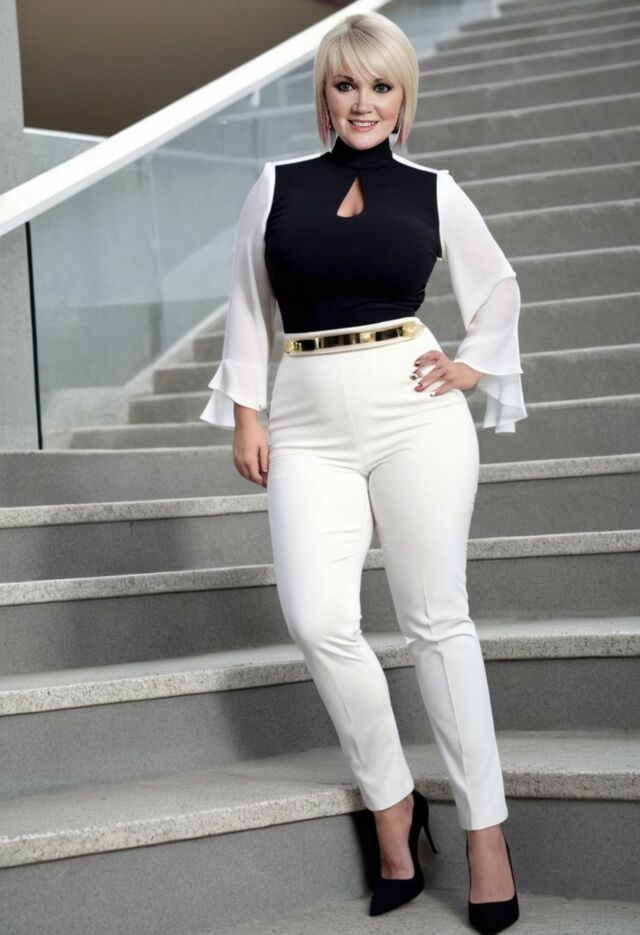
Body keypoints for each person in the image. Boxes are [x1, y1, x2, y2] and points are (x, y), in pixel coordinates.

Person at [200, 12, 525, 932]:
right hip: (306, 421)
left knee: (437, 621)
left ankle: (486, 833)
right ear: (325, 93)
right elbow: (247, 303)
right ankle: (392, 803)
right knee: (317, 618)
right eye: (346, 85)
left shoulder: (433, 190)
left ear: (403, 96)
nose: (363, 103)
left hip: (415, 410)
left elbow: (498, 284)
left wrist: (472, 364)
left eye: (381, 86)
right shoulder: (277, 185)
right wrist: (247, 413)